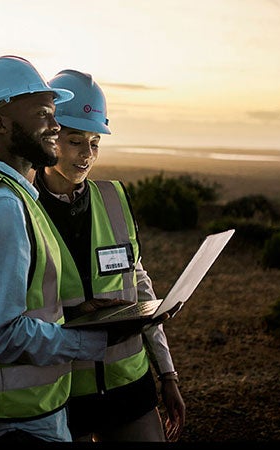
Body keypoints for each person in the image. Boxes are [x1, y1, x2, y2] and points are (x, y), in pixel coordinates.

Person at [0, 55, 143, 442]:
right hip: (12, 421)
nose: (54, 125)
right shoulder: (2, 205)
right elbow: (1, 335)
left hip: (23, 412)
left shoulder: (10, 194)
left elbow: (15, 304)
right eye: (42, 114)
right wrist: (88, 341)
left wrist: (74, 312)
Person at [33, 69, 186, 442]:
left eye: (95, 142)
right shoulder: (21, 207)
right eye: (74, 141)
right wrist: (72, 314)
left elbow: (139, 286)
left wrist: (167, 373)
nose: (87, 155)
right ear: (50, 137)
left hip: (129, 385)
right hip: (61, 391)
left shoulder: (114, 198)